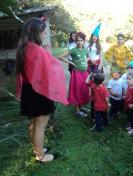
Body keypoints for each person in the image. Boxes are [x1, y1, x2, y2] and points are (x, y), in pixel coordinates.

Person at [15, 17, 68, 162]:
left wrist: (46, 53)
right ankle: (40, 156)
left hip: (29, 90)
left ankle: (37, 149)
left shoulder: (24, 47)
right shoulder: (36, 50)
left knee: (33, 123)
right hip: (39, 92)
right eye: (43, 33)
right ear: (35, 33)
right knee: (40, 125)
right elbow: (51, 69)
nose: (44, 35)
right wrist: (47, 55)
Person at [59, 32, 90, 118]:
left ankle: (81, 107)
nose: (79, 42)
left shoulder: (85, 49)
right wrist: (71, 62)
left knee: (83, 90)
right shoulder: (73, 50)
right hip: (77, 74)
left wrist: (86, 61)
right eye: (78, 40)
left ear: (84, 41)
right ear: (75, 41)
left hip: (85, 73)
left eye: (81, 40)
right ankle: (77, 111)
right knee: (77, 91)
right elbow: (60, 57)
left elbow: (88, 57)